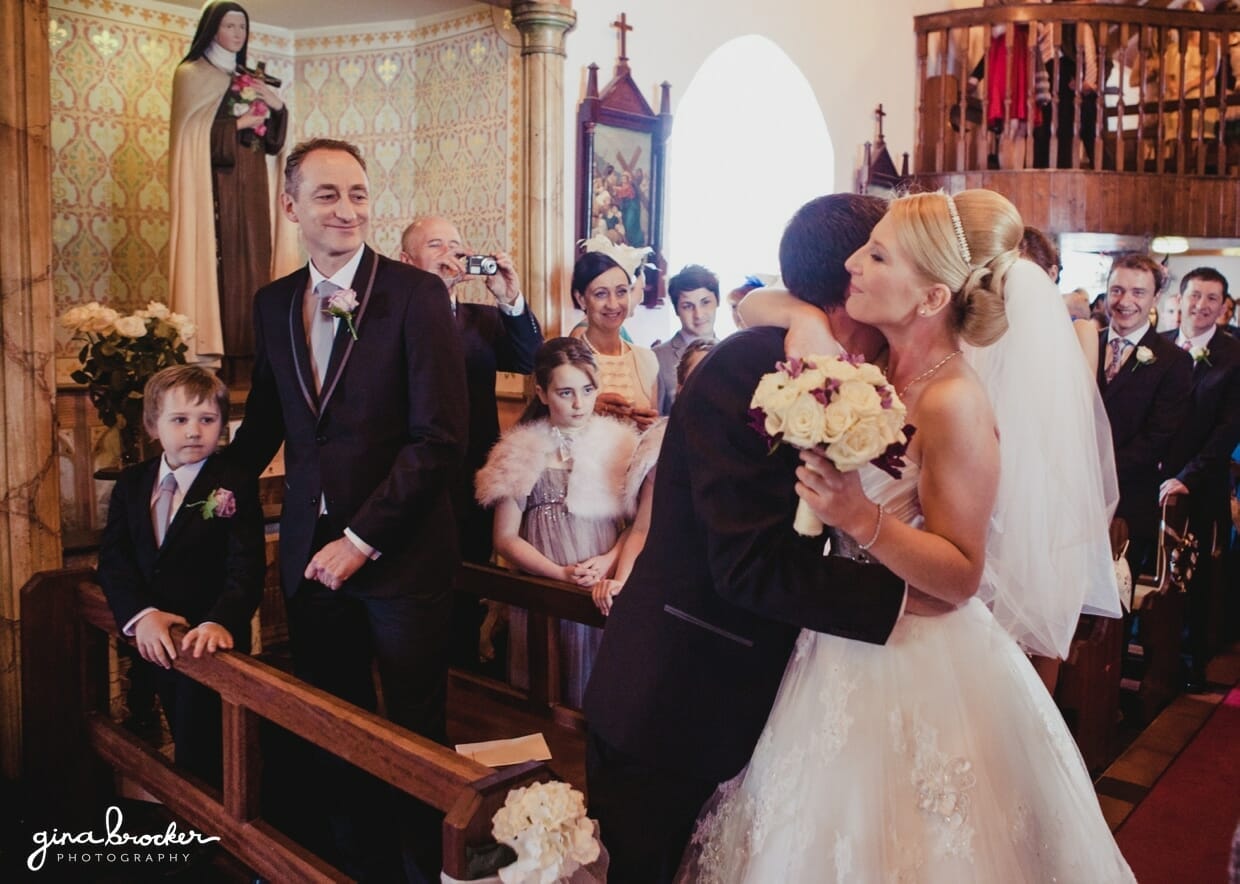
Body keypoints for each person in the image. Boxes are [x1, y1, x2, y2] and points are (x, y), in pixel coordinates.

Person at [684, 190, 1131, 882]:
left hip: (919, 660)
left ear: (929, 298)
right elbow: (752, 303)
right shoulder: (876, 364)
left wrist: (861, 517)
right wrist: (803, 319)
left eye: (876, 255)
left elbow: (960, 575)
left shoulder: (955, 401)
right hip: (837, 641)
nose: (852, 266)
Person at [583, 193, 909, 884]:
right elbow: (749, 567)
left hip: (744, 690)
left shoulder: (837, 365)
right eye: (885, 253)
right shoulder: (755, 369)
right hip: (677, 695)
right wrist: (911, 595)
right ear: (854, 278)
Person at [226, 138, 467, 878]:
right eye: (328, 195)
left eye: (358, 193)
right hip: (309, 543)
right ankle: (353, 859)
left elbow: (439, 439)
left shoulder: (416, 296)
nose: (347, 209)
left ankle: (425, 863)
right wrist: (189, 484)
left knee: (412, 725)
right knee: (333, 715)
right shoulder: (273, 304)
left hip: (400, 548)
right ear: (291, 206)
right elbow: (268, 420)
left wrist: (361, 539)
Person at [98, 365, 264, 785]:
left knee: (205, 741)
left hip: (206, 639)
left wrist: (220, 620)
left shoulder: (233, 482)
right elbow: (115, 558)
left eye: (207, 420)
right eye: (180, 420)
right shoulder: (132, 483)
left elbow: (245, 566)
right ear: (153, 426)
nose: (194, 431)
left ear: (222, 426)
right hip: (151, 635)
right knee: (161, 721)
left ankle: (203, 829)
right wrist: (140, 614)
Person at [398, 215, 543, 674]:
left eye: (457, 246)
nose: (450, 254)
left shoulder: (482, 320)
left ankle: (466, 676)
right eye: (436, 244)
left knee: (469, 578)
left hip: (472, 475)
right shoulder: (389, 319)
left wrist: (510, 300)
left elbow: (526, 360)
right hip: (413, 477)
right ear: (407, 261)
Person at [475, 338, 638, 707]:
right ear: (543, 393)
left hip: (601, 581)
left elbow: (636, 526)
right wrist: (559, 574)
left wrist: (609, 559)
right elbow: (504, 538)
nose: (579, 404)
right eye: (565, 392)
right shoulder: (520, 448)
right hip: (545, 581)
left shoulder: (620, 444)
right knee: (546, 683)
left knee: (598, 684)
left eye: (587, 390)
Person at [168, 1, 294, 384]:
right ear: (212, 29)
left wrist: (277, 108)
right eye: (229, 25)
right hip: (215, 192)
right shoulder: (191, 74)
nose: (237, 34)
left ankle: (254, 355)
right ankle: (217, 357)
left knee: (255, 263)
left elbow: (273, 144)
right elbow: (189, 137)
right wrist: (239, 121)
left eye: (242, 26)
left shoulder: (249, 77)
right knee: (223, 267)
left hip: (252, 183)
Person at [594, 338, 717, 618]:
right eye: (698, 377)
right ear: (681, 387)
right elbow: (642, 529)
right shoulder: (662, 445)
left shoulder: (745, 446)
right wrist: (622, 582)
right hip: (671, 575)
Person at [1161, 267, 1240, 690]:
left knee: (1197, 575)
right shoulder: (1159, 348)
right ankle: (1151, 652)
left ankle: (1193, 661)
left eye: (1213, 298)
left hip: (1202, 484)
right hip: (1155, 480)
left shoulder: (1233, 356)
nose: (1202, 305)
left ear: (1223, 307)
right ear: (1180, 298)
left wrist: (1188, 476)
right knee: (1152, 568)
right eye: (1195, 295)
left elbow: (1228, 428)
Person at [1098, 253, 1193, 577]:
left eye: (1138, 292)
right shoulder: (1083, 346)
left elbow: (1157, 438)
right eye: (1117, 290)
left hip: (1128, 502)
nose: (1125, 301)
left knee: (1114, 608)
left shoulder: (1173, 361)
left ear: (1155, 297)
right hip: (1069, 501)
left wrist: (1096, 473)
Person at [571, 251, 660, 432]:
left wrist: (648, 425)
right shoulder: (567, 359)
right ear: (581, 299)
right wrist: (588, 411)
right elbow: (549, 430)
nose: (613, 304)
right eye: (601, 294)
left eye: (621, 292)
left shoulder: (647, 359)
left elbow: (653, 427)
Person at [653, 264, 720, 415]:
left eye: (705, 302)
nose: (699, 314)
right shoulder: (657, 358)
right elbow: (653, 423)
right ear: (677, 310)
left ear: (717, 301)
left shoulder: (731, 352)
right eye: (687, 306)